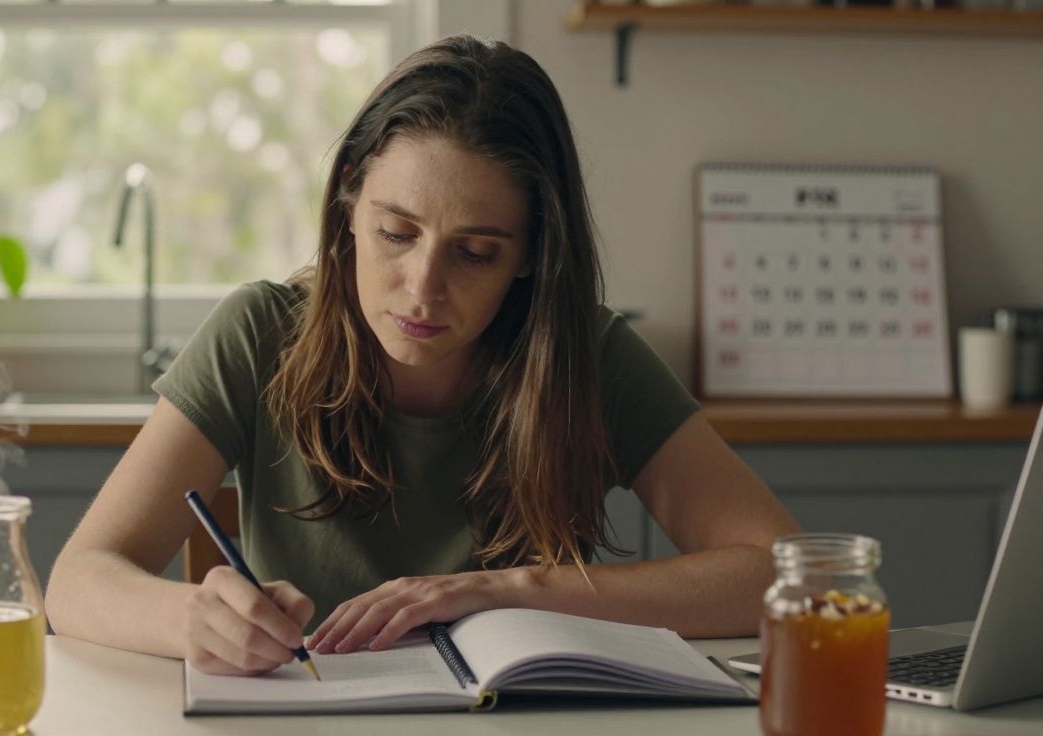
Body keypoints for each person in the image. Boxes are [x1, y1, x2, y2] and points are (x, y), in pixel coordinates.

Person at [45, 35, 800, 677]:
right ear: (348, 199)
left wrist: (506, 590)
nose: (423, 288)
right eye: (396, 234)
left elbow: (786, 575)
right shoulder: (258, 334)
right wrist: (194, 619)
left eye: (475, 253)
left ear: (532, 254)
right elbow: (76, 582)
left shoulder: (588, 357)